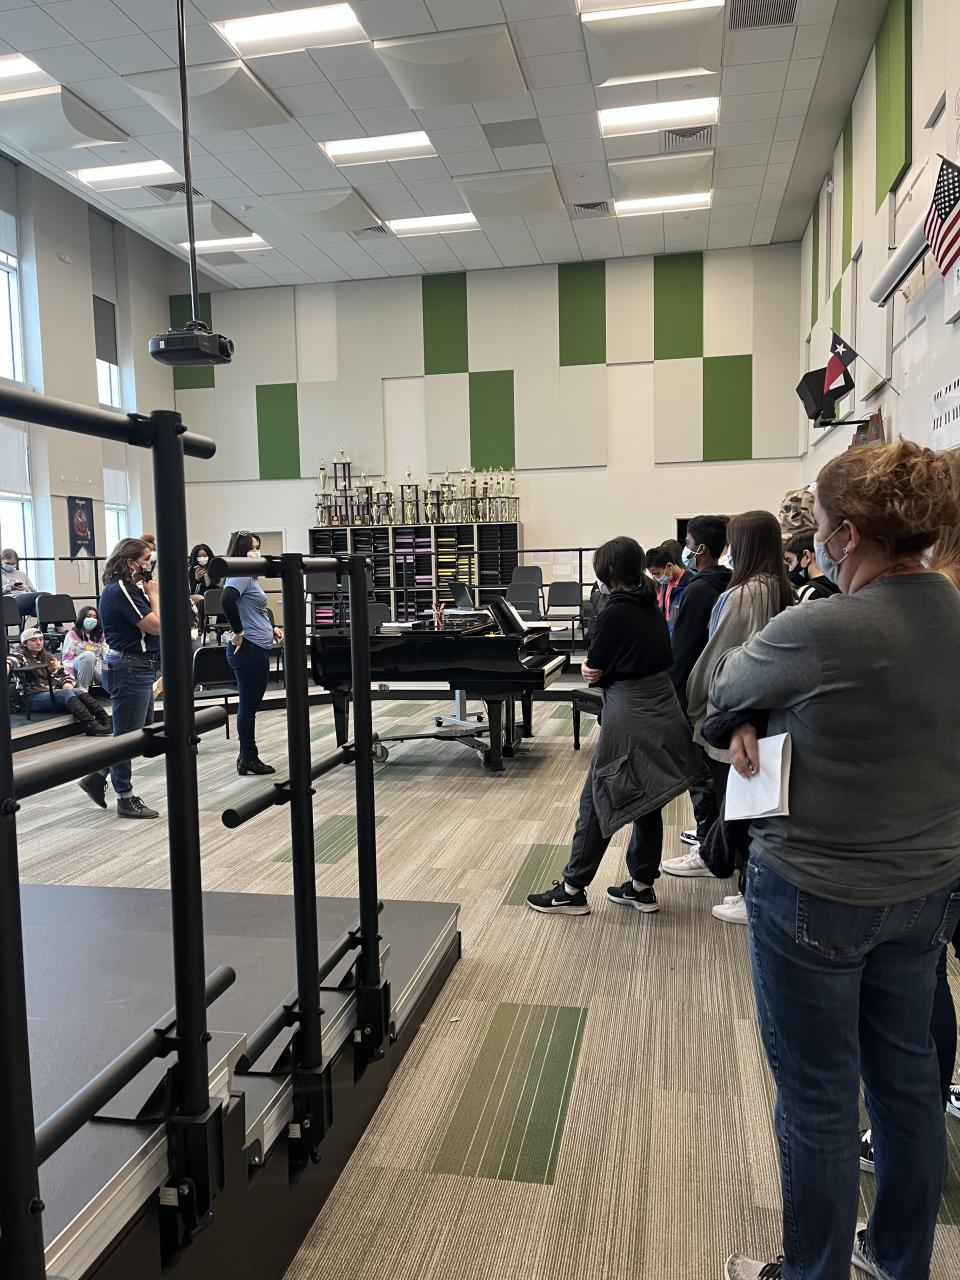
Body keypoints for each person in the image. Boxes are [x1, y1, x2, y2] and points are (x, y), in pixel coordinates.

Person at [714, 441, 960, 1280]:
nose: (811, 538)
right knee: (908, 1084)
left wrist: (755, 715)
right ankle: (897, 1261)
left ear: (846, 534)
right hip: (927, 890)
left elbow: (724, 687)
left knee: (818, 1097)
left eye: (817, 523)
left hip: (814, 893)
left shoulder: (818, 629)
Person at [527, 536, 705, 916]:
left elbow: (595, 663)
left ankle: (572, 889)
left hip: (630, 714)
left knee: (598, 798)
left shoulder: (614, 610)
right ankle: (641, 886)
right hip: (663, 708)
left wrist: (593, 672)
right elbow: (662, 654)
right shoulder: (650, 599)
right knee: (649, 797)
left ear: (607, 571)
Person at [677, 511, 794, 923]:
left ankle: (749, 891)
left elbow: (716, 661)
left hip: (733, 717)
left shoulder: (742, 594)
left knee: (738, 802)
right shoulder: (782, 588)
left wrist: (694, 702)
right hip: (766, 715)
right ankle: (747, 884)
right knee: (756, 804)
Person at [79, 537, 161, 819]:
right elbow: (156, 626)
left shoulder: (130, 588)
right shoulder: (121, 590)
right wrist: (153, 593)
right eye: (147, 559)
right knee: (127, 737)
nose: (151, 564)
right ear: (131, 562)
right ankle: (125, 797)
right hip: (129, 666)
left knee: (140, 730)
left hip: (139, 665)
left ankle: (97, 774)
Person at [221, 531, 283, 776]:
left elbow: (253, 608)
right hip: (248, 649)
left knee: (250, 705)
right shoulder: (241, 575)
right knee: (248, 706)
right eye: (251, 548)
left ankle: (245, 756)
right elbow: (226, 600)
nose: (256, 552)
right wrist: (238, 631)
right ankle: (249, 757)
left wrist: (272, 627)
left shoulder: (248, 577)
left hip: (255, 647)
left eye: (258, 547)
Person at [7, 627, 110, 734]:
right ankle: (89, 724)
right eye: (33, 640)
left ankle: (104, 719)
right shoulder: (20, 656)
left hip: (51, 694)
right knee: (66, 693)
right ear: (25, 643)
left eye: (41, 639)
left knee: (78, 691)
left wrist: (67, 683)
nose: (38, 643)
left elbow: (62, 674)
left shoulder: (49, 657)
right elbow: (10, 661)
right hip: (32, 698)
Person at [646, 543, 693, 634]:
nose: (655, 577)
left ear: (669, 566)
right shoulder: (665, 582)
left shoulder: (690, 585)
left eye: (657, 573)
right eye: (652, 574)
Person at [783, 530, 840, 602]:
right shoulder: (844, 587)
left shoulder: (806, 593)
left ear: (806, 556)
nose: (789, 569)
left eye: (790, 561)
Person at [61, 606, 108, 691]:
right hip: (78, 665)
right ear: (82, 618)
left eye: (95, 617)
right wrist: (70, 678)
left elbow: (106, 655)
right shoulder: (72, 634)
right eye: (89, 616)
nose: (92, 619)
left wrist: (110, 670)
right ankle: (83, 690)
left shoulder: (100, 634)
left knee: (112, 680)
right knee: (89, 655)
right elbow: (67, 659)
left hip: (98, 662)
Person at [1, 548, 47, 621]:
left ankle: (53, 626)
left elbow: (34, 592)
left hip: (24, 598)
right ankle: (58, 626)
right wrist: (6, 589)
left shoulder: (21, 574)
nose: (10, 566)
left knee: (45, 603)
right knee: (45, 596)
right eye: (7, 563)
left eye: (13, 564)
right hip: (8, 601)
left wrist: (26, 588)